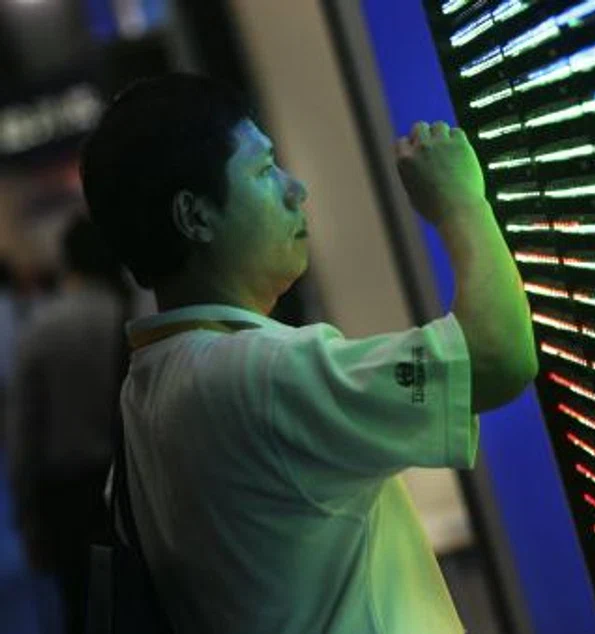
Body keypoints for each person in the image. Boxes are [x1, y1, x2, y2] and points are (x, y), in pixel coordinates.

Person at [78, 73, 537, 633]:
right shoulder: (258, 378)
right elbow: (496, 358)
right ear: (195, 217)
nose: (296, 189)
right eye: (264, 170)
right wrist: (462, 202)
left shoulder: (146, 390)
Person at [6, 214, 130, 634]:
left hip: (67, 496)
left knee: (82, 608)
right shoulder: (133, 315)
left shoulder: (42, 327)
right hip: (130, 482)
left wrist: (27, 517)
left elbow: (24, 432)